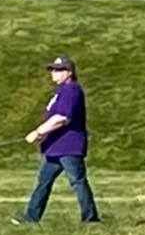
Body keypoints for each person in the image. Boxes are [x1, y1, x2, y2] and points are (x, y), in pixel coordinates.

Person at [14, 55, 100, 225]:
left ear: (69, 72)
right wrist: (44, 135)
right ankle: (31, 217)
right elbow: (54, 118)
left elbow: (62, 118)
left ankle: (91, 219)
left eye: (58, 70)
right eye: (52, 69)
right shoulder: (61, 92)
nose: (53, 72)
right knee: (43, 183)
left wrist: (38, 132)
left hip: (68, 146)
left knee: (77, 182)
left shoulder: (71, 91)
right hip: (55, 147)